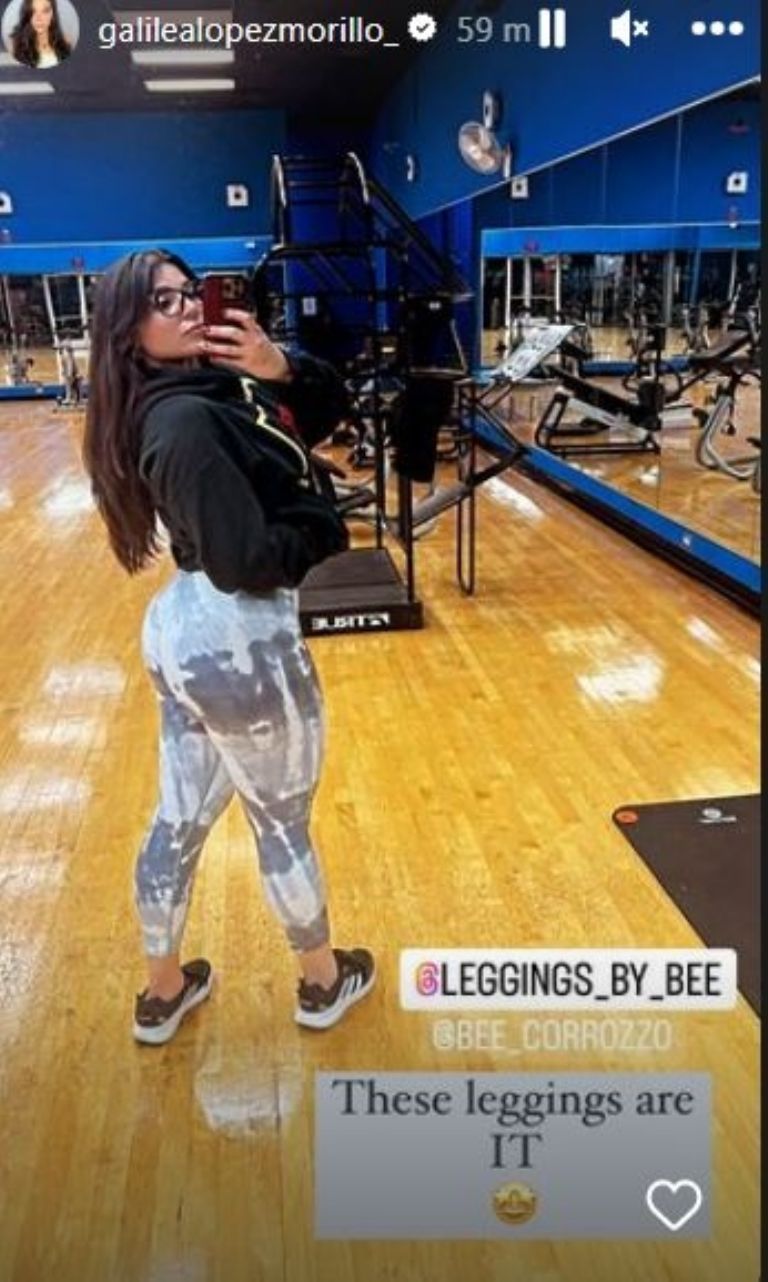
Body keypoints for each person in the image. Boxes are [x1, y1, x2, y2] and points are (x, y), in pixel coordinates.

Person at [82, 249, 375, 1045]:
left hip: (188, 632)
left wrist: (279, 365)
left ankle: (163, 992)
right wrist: (323, 525)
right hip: (238, 641)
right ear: (126, 332)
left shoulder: (215, 385)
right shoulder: (182, 423)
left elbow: (318, 416)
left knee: (178, 818)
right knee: (280, 824)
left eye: (189, 291)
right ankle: (323, 982)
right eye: (162, 302)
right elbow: (245, 561)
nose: (186, 307)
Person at [9, 0, 71, 68]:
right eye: (33, 11)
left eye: (45, 11)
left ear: (53, 14)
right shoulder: (14, 45)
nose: (39, 19)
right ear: (27, 14)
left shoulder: (65, 41)